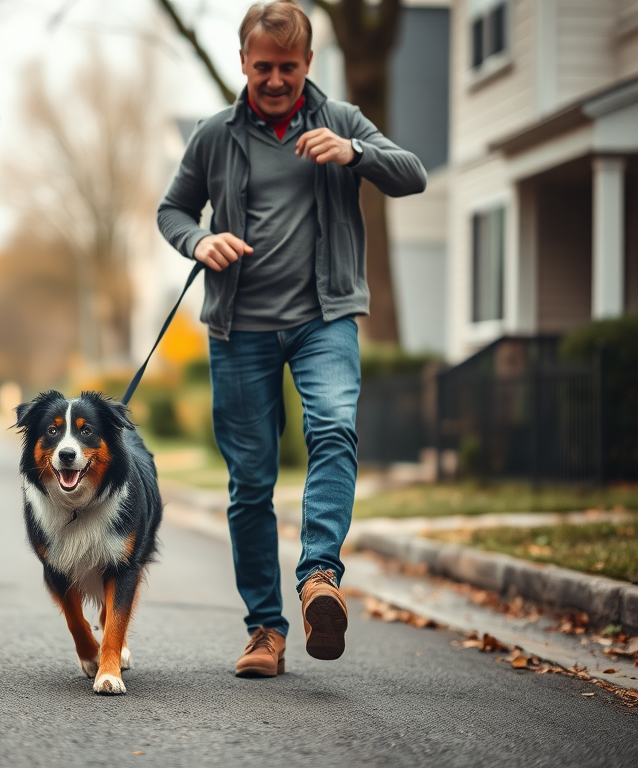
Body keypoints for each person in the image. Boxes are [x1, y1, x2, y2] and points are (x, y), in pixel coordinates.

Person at [157, 0, 426, 676]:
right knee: (251, 482)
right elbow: (173, 209)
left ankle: (318, 580)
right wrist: (200, 239)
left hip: (323, 316)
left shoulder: (339, 120)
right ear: (242, 63)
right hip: (239, 325)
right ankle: (265, 632)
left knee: (334, 429)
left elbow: (412, 174)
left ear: (308, 64)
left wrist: (356, 152)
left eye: (288, 67)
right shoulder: (216, 135)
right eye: (262, 67)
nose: (275, 80)